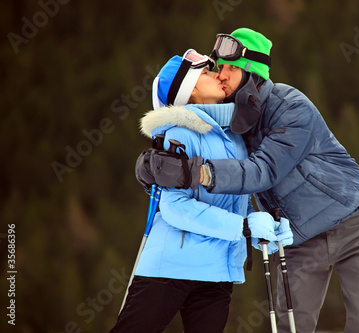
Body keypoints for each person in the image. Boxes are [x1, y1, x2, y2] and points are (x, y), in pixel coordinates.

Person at [137, 29, 359, 332]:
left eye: (232, 68)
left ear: (252, 73)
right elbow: (189, 139)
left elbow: (263, 170)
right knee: (292, 327)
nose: (221, 75)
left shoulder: (290, 106)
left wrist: (199, 173)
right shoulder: (230, 123)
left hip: (351, 224)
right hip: (299, 240)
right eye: (220, 68)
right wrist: (150, 165)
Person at [111, 49, 293, 333]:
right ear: (191, 89)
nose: (220, 75)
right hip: (171, 268)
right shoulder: (178, 134)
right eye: (208, 73)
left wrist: (261, 229)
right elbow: (175, 207)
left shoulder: (234, 137)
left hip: (219, 271)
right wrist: (243, 227)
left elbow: (236, 198)